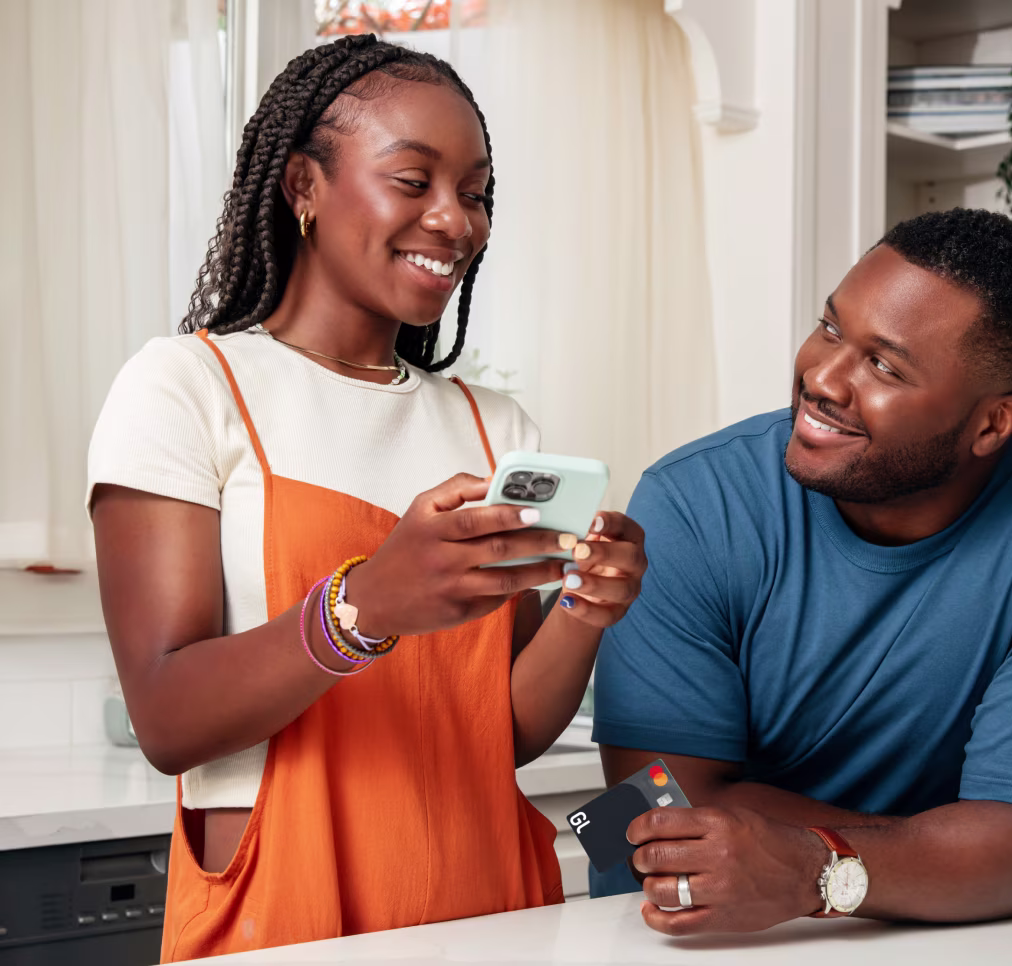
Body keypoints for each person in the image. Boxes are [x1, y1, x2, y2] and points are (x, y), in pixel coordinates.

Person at [88, 35, 646, 961]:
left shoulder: (494, 427)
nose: (455, 222)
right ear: (304, 186)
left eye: (475, 193)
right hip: (287, 912)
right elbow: (167, 718)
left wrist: (588, 612)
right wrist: (366, 606)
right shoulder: (189, 387)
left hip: (491, 902)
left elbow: (497, 732)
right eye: (414, 180)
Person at [590, 208, 1012, 934]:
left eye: (885, 366)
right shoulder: (693, 502)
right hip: (674, 936)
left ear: (994, 423)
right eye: (831, 328)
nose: (822, 379)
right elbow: (654, 812)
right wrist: (959, 855)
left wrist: (828, 864)